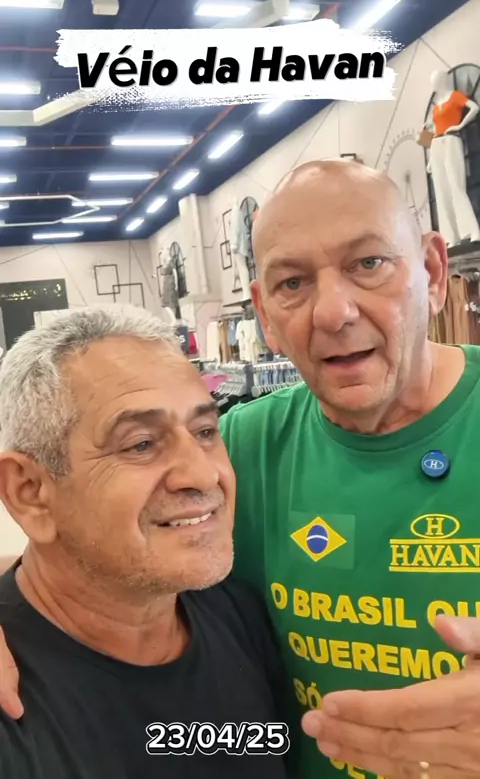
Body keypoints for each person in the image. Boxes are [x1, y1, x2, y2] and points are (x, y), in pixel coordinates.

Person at [2, 159, 480, 779]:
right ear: (265, 313)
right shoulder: (245, 447)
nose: (334, 311)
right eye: (292, 282)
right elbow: (86, 527)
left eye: (369, 263)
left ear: (434, 273)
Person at [0, 306, 290, 779]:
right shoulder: (12, 707)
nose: (203, 474)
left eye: (205, 432)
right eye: (140, 444)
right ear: (30, 492)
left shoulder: (237, 617)